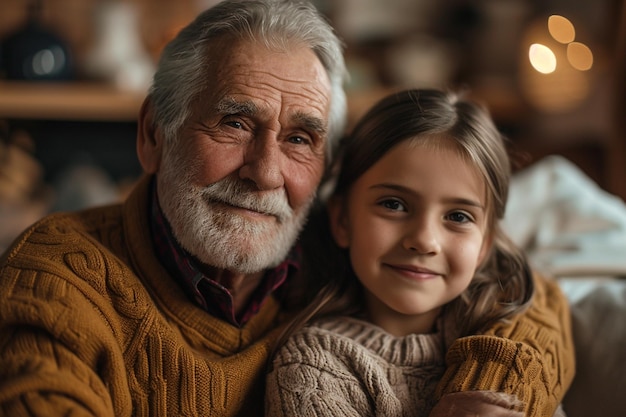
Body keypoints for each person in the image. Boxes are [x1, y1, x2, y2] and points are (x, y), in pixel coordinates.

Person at [0, 1, 572, 416]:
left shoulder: (340, 245)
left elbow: (523, 289)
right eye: (235, 122)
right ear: (154, 133)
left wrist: (483, 394)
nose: (266, 172)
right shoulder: (59, 274)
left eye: (301, 138)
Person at [266, 89, 573, 417]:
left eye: (457, 217)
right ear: (342, 219)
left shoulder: (505, 320)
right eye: (394, 205)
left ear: (485, 244)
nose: (425, 241)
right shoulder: (312, 366)